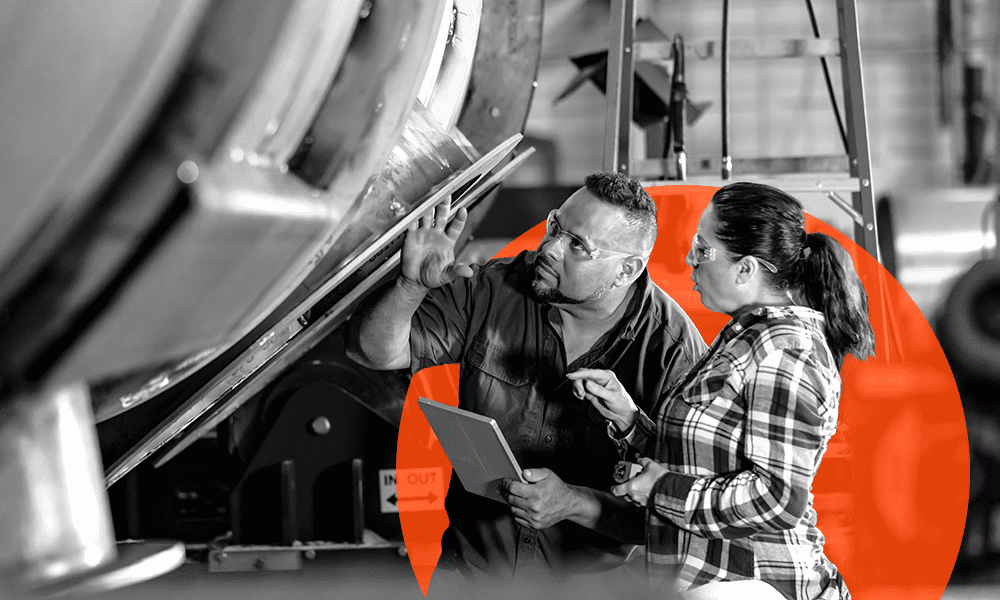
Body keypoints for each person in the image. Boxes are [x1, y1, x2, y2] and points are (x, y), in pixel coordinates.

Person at [346, 172, 706, 580]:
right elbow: (371, 352)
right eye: (555, 227)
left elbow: (684, 508)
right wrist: (410, 286)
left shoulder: (673, 351)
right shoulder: (493, 289)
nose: (550, 248)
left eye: (577, 246)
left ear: (626, 270)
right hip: (474, 576)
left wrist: (573, 502)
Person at [569, 182, 874, 600]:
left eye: (702, 248)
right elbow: (704, 459)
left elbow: (777, 498)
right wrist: (628, 419)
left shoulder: (786, 351)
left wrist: (660, 489)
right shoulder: (745, 338)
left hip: (754, 586)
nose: (690, 260)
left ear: (745, 269)